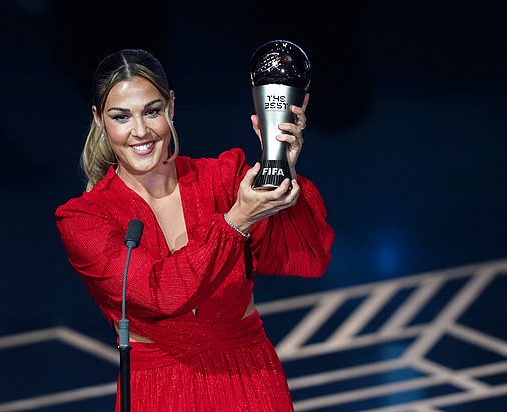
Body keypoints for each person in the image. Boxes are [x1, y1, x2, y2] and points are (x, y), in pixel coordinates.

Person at [55, 48, 334, 412]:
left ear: (171, 106)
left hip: (249, 378)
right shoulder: (83, 218)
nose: (140, 131)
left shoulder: (224, 178)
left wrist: (278, 165)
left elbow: (308, 258)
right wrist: (236, 221)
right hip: (158, 389)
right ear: (98, 119)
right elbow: (159, 294)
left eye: (152, 111)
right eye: (121, 117)